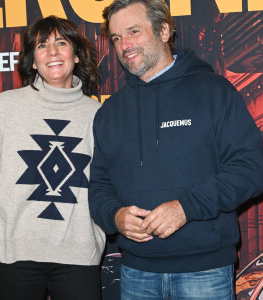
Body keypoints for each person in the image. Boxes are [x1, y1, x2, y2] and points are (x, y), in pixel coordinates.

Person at [88, 0, 263, 299]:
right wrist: (115, 216)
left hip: (205, 274)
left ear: (164, 31)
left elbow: (252, 168)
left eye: (133, 31)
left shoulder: (213, 91)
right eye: (116, 38)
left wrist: (186, 208)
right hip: (135, 274)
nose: (124, 45)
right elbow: (99, 187)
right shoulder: (109, 113)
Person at [0, 15, 105, 300]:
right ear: (33, 61)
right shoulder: (7, 106)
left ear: (77, 55)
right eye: (42, 46)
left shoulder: (97, 115)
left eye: (61, 43)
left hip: (79, 255)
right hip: (14, 255)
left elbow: (106, 184)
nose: (53, 52)